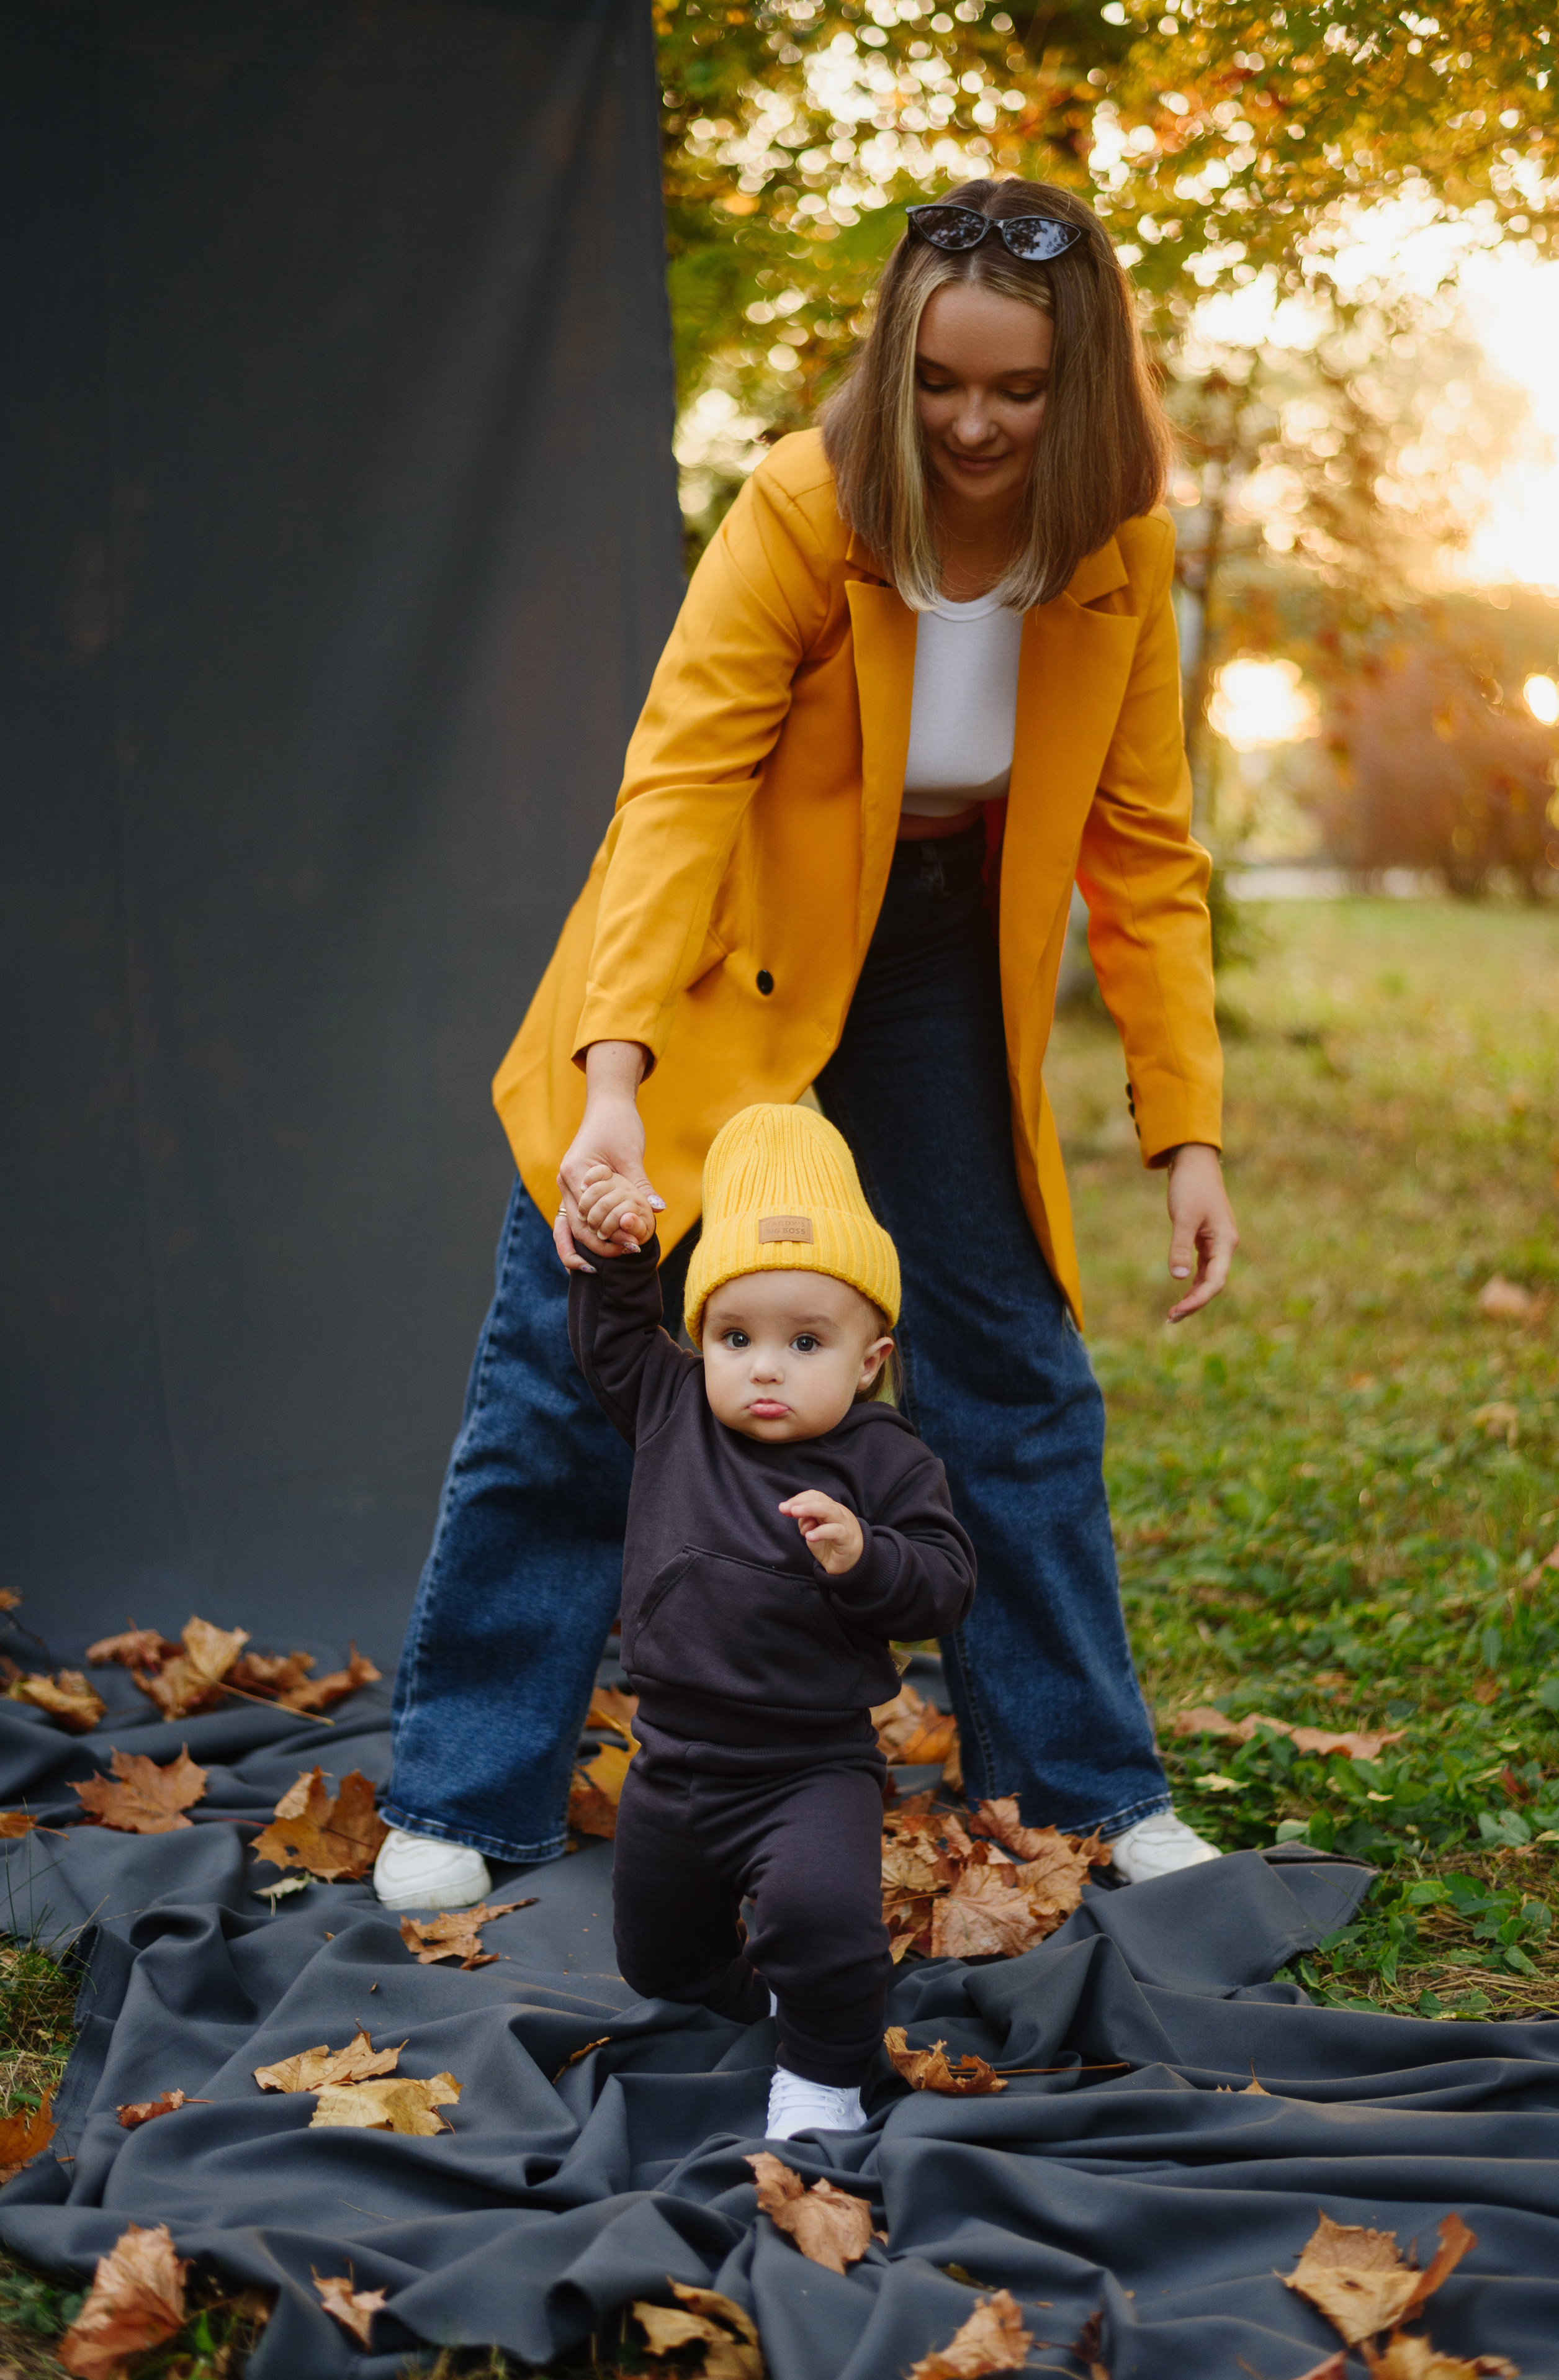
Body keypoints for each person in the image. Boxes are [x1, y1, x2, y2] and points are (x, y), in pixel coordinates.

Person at [374, 174, 1238, 1914]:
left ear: (1085, 385)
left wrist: (1187, 1132)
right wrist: (612, 1084)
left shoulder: (1117, 546)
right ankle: (465, 1790)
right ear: (892, 361)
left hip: (929, 959)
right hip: (725, 947)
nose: (976, 422)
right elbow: (679, 791)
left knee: (1012, 1370)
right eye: (940, 381)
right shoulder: (803, 504)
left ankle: (1078, 1782)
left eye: (1018, 388)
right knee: (571, 1346)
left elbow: (1142, 848)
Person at [567, 1103, 975, 2139]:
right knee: (658, 1957)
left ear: (869, 1359)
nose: (763, 1366)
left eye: (805, 1341)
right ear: (699, 1336)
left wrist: (863, 1556)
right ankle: (771, 1997)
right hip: (673, 1758)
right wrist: (623, 1258)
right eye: (735, 1335)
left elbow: (943, 1581)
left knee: (824, 1918)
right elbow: (616, 1336)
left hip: (809, 1762)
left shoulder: (886, 1460)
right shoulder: (671, 1407)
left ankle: (824, 2073)